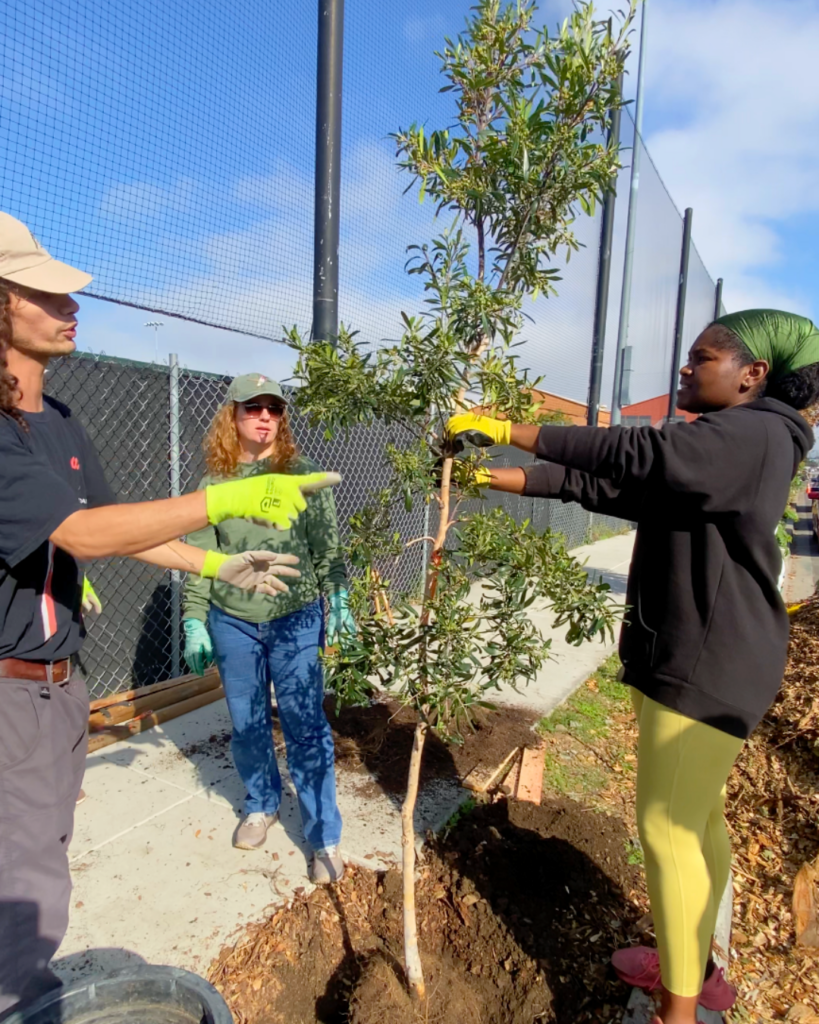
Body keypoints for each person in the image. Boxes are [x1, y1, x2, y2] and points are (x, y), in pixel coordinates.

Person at [0, 211, 340, 1017]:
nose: (70, 304)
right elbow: (81, 531)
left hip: (62, 682)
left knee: (41, 857)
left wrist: (219, 559)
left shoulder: (65, 421)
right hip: (11, 686)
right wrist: (217, 523)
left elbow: (122, 528)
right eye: (45, 292)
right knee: (23, 885)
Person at [446, 309, 819, 1024]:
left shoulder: (754, 433)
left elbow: (634, 454)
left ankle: (675, 1013)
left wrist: (509, 425)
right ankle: (696, 968)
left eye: (700, 357)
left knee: (667, 831)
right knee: (696, 821)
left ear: (752, 374)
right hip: (697, 654)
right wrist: (489, 475)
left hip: (707, 665)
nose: (684, 368)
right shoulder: (734, 445)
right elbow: (604, 488)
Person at [182, 374, 355, 884]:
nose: (264, 417)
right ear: (232, 417)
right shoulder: (212, 486)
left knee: (306, 726)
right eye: (252, 407)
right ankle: (261, 804)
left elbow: (327, 548)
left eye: (273, 409)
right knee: (247, 722)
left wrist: (339, 595)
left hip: (297, 619)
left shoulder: (303, 476)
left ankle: (324, 836)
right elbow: (200, 560)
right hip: (234, 620)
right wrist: (195, 619)